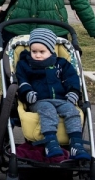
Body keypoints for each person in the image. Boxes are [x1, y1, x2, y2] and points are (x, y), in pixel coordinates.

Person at [16, 28, 90, 160]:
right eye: (34, 51)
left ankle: (76, 144)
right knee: (48, 110)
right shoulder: (25, 65)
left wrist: (73, 92)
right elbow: (22, 81)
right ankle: (50, 142)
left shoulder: (61, 64)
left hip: (62, 100)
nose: (37, 55)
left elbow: (71, 79)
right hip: (39, 101)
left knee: (72, 112)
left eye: (42, 52)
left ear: (51, 51)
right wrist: (27, 93)